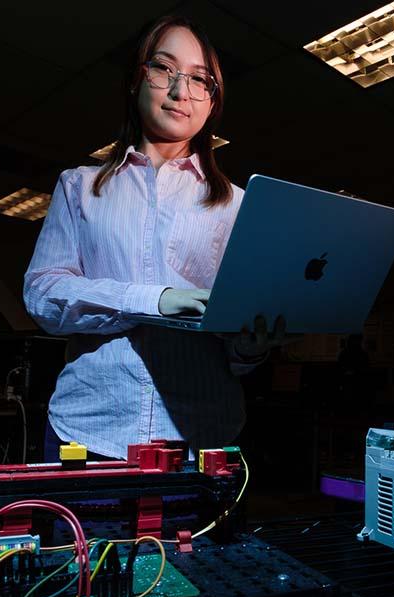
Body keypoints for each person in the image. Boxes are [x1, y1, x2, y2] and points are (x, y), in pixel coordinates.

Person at [23, 16, 292, 460]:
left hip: (202, 439)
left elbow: (235, 350)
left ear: (212, 102)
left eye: (200, 79)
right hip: (89, 433)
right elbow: (43, 295)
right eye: (164, 69)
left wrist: (252, 346)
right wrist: (155, 299)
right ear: (137, 80)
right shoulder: (79, 187)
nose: (180, 90)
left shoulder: (239, 206)